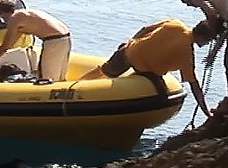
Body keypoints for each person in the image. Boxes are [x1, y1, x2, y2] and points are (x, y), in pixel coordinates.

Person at [76, 18, 216, 118]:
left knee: (104, 71)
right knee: (161, 95)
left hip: (129, 53)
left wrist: (130, 41)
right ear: (202, 37)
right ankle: (75, 91)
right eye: (207, 41)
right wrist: (206, 110)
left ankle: (79, 84)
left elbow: (144, 29)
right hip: (146, 72)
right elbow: (193, 83)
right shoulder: (186, 53)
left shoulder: (175, 24)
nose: (206, 44)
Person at [0, 1, 73, 81]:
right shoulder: (25, 16)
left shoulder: (14, 19)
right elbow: (7, 45)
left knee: (47, 78)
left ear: (2, 13)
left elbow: (3, 48)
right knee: (59, 75)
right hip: (65, 37)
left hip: (53, 41)